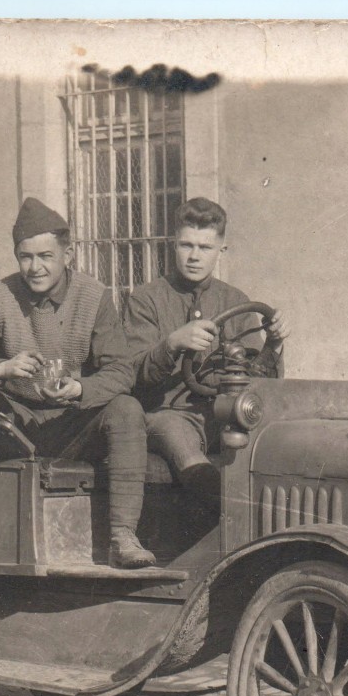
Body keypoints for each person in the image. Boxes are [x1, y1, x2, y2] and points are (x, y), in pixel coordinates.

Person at [0, 197, 156, 573]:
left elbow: (122, 371)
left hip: (73, 424)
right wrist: (2, 367)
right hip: (16, 427)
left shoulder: (94, 296)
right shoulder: (0, 295)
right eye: (25, 257)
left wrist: (80, 389)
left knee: (127, 409)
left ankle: (123, 536)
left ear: (67, 254)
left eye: (45, 256)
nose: (35, 267)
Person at [125, 197, 290, 497]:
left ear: (221, 250)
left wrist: (274, 344)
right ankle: (222, 512)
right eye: (187, 245)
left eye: (205, 248)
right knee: (180, 440)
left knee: (277, 439)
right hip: (167, 414)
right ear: (173, 244)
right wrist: (172, 343)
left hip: (223, 413)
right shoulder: (145, 300)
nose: (194, 257)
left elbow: (257, 380)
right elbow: (133, 374)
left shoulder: (236, 301)